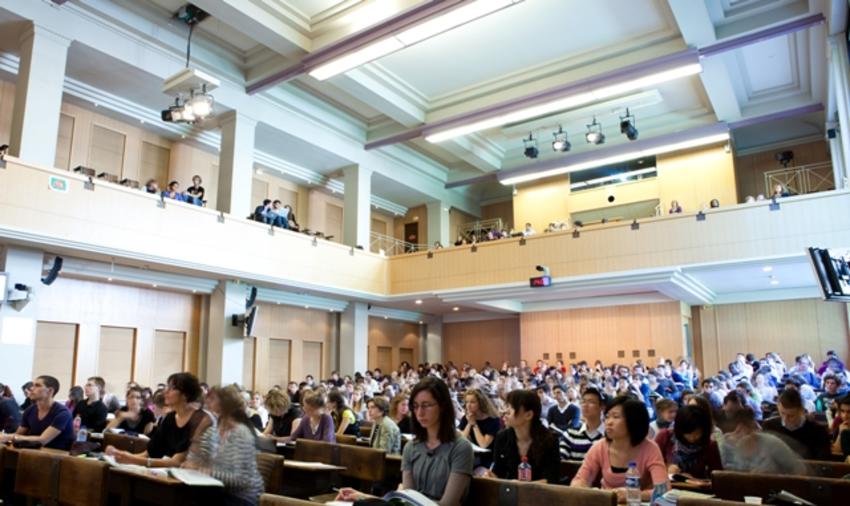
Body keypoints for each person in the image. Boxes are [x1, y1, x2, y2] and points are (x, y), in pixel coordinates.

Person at [336, 376, 473, 505]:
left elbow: (447, 504)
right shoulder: (411, 447)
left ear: (442, 406)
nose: (419, 413)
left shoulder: (461, 448)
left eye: (426, 405)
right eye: (415, 406)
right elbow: (407, 499)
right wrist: (361, 496)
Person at [572, 396, 669, 503]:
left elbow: (663, 490)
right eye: (607, 417)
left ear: (633, 421)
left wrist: (634, 495)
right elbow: (579, 480)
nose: (609, 422)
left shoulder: (650, 449)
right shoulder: (600, 447)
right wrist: (583, 488)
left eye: (616, 417)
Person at [106, 372, 212, 467]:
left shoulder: (200, 420)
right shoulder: (170, 418)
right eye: (167, 387)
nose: (166, 391)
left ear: (185, 395)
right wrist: (121, 456)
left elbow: (177, 462)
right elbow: (149, 453)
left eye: (172, 388)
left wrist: (131, 459)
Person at [187, 385, 264, 506]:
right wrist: (198, 434)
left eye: (212, 399)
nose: (207, 401)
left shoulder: (241, 433)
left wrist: (206, 472)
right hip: (218, 490)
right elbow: (195, 460)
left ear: (225, 405)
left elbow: (241, 479)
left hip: (242, 497)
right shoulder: (212, 431)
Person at [488, 389, 560, 483]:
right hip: (510, 494)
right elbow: (498, 472)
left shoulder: (550, 439)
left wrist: (520, 487)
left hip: (540, 495)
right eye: (506, 406)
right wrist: (491, 476)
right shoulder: (502, 437)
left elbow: (551, 479)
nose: (505, 412)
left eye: (511, 407)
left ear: (529, 415)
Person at [718, 406, 805, 475]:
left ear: (753, 429)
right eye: (736, 431)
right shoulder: (726, 445)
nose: (741, 434)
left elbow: (799, 470)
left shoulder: (771, 443)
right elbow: (720, 473)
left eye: (745, 429)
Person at [0, 375, 74, 450]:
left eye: (37, 385)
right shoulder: (30, 410)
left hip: (58, 456)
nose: (31, 388)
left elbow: (43, 440)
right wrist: (5, 436)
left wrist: (9, 436)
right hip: (34, 452)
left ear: (50, 391)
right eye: (33, 385)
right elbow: (18, 434)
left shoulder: (63, 413)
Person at [654, 405, 721, 480]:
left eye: (697, 433)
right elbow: (652, 464)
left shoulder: (709, 445)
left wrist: (695, 480)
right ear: (680, 429)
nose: (693, 438)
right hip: (667, 486)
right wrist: (667, 467)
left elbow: (717, 475)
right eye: (688, 434)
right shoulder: (665, 436)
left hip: (695, 489)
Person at [761, 388, 830, 460]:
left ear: (802, 411)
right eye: (782, 413)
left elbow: (822, 464)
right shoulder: (769, 427)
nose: (785, 420)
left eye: (791, 416)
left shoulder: (818, 432)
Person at [458, 388, 500, 468]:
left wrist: (474, 424)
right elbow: (462, 439)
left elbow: (483, 444)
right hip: (473, 456)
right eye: (466, 402)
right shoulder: (466, 417)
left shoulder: (493, 420)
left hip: (489, 458)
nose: (468, 405)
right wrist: (469, 423)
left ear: (480, 403)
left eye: (472, 402)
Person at [560, 387, 605, 460]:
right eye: (583, 401)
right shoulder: (570, 434)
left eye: (591, 402)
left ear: (602, 407)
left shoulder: (611, 435)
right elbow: (561, 461)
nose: (585, 405)